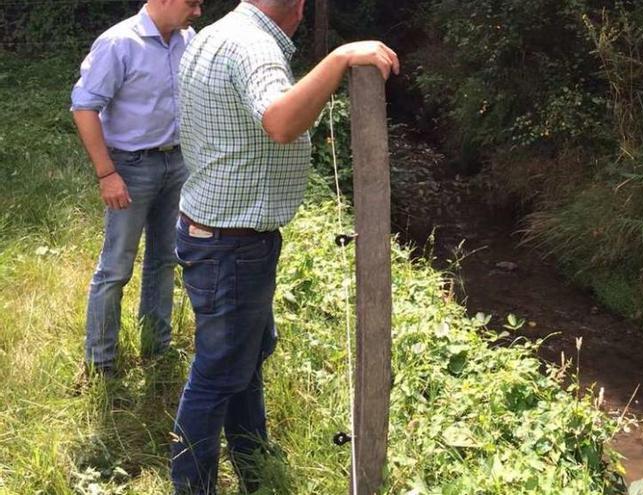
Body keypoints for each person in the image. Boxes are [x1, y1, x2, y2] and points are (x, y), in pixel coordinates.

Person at [171, 0, 399, 492]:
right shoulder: (256, 47)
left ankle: (253, 457)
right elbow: (279, 122)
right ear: (296, 8)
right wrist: (339, 60)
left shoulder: (217, 33)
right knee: (216, 373)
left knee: (244, 356)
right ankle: (192, 486)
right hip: (231, 244)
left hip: (217, 233)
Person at [71, 0, 204, 377]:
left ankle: (156, 347)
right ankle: (100, 364)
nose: (196, 12)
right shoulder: (118, 43)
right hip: (131, 167)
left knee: (166, 259)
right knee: (115, 267)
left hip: (177, 163)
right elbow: (84, 107)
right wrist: (106, 174)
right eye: (192, 3)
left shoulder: (187, 39)